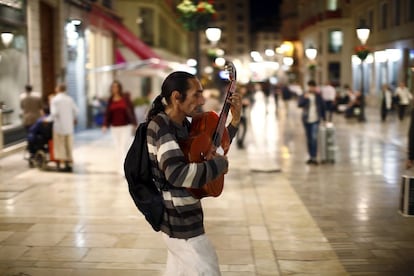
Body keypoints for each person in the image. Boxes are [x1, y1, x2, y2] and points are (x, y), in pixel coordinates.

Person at [145, 71, 242, 275]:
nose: (202, 99)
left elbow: (209, 150)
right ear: (176, 97)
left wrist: (233, 123)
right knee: (208, 270)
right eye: (196, 94)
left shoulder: (182, 125)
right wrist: (219, 167)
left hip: (186, 218)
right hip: (179, 222)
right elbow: (177, 174)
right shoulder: (162, 127)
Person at [102, 80, 137, 174]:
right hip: (115, 127)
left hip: (126, 126)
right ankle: (120, 166)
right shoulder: (110, 100)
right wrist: (105, 125)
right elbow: (107, 114)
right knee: (118, 147)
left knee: (124, 146)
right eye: (113, 87)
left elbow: (131, 111)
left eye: (116, 87)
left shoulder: (125, 98)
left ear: (119, 88)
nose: (115, 89)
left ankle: (125, 168)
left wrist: (134, 123)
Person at [49, 83, 78, 172]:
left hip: (59, 127)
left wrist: (48, 120)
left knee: (60, 145)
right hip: (69, 126)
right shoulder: (69, 99)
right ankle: (69, 163)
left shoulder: (55, 100)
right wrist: (73, 119)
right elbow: (76, 111)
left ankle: (63, 164)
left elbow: (54, 113)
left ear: (57, 89)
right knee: (68, 145)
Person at [298, 80, 326, 165]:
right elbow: (299, 105)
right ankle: (310, 156)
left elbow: (323, 107)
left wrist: (324, 119)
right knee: (309, 138)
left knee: (314, 138)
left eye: (313, 86)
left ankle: (314, 157)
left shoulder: (318, 96)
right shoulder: (304, 95)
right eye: (310, 86)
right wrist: (305, 99)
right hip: (306, 119)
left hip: (316, 119)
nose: (311, 88)